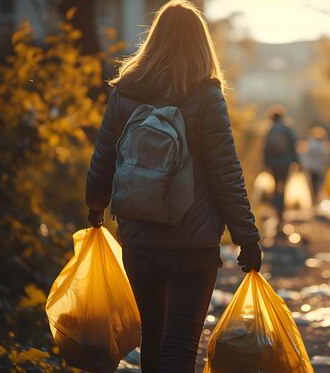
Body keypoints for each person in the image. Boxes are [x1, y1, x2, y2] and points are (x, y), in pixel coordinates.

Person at [84, 2, 262, 372]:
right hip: (192, 244)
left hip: (140, 239)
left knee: (153, 338)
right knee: (179, 348)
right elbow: (224, 171)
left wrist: (96, 207)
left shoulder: (125, 91)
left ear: (154, 39)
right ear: (200, 44)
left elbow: (104, 157)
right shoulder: (206, 95)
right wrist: (247, 237)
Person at [263, 105, 298, 221]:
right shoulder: (287, 129)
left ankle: (276, 211)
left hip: (273, 163)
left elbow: (265, 149)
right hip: (285, 162)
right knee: (283, 187)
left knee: (275, 186)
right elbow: (293, 145)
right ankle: (281, 213)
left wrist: (266, 163)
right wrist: (296, 161)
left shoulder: (270, 129)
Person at [299, 126, 330, 201]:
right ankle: (318, 199)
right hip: (320, 168)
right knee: (319, 185)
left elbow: (303, 156)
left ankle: (313, 200)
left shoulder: (308, 144)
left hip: (310, 168)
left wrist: (303, 165)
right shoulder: (325, 146)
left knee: (311, 185)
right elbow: (326, 158)